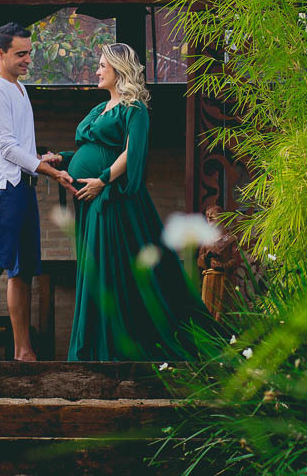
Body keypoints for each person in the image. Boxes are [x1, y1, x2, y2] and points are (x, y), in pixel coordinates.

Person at [52, 42, 214, 361]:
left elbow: (131, 153)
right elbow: (93, 149)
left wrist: (102, 180)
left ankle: (111, 348)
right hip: (88, 201)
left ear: (118, 69)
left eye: (102, 65)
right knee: (96, 268)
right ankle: (95, 346)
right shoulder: (100, 110)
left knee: (110, 269)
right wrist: (63, 159)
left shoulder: (135, 108)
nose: (97, 70)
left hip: (110, 198)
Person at [0, 22, 73, 362]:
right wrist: (46, 169)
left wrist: (41, 159)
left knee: (23, 271)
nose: (27, 60)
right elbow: (5, 147)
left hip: (25, 187)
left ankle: (23, 351)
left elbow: (22, 146)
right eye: (20, 54)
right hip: (3, 189)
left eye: (29, 53)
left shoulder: (18, 88)